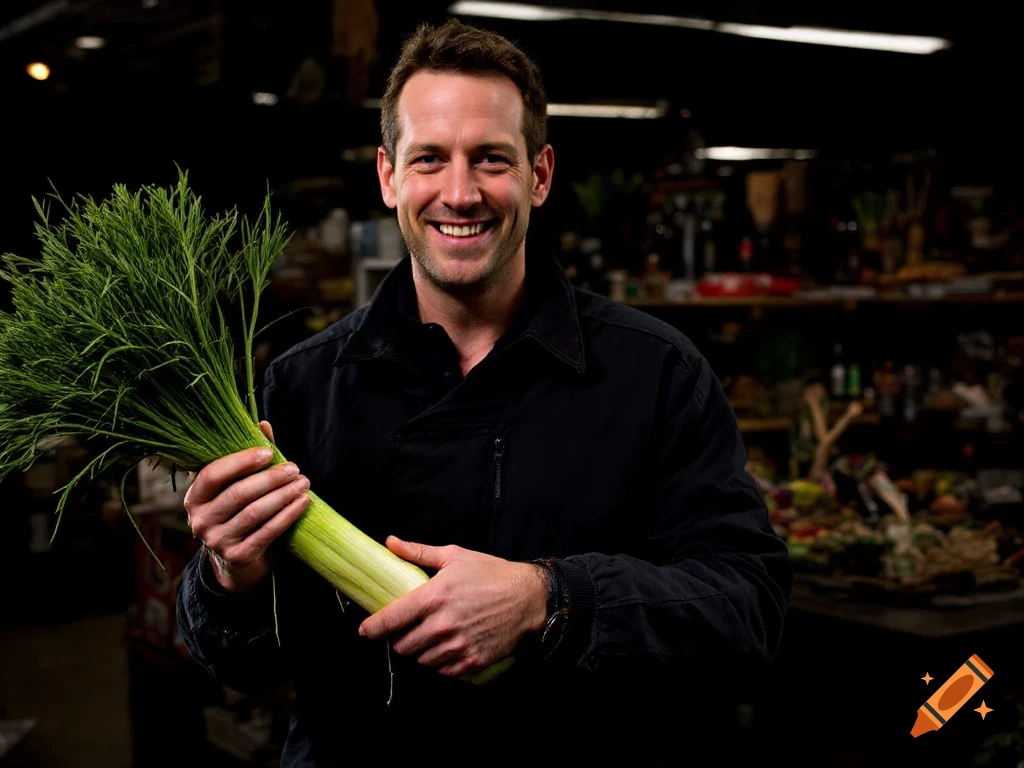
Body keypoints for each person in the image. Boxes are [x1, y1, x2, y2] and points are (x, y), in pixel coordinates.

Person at [177, 18, 792, 767]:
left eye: (491, 160)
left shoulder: (657, 372)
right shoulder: (303, 384)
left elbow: (749, 610)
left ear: (539, 175)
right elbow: (244, 665)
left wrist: (551, 599)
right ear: (388, 175)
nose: (460, 194)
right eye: (429, 159)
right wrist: (230, 575)